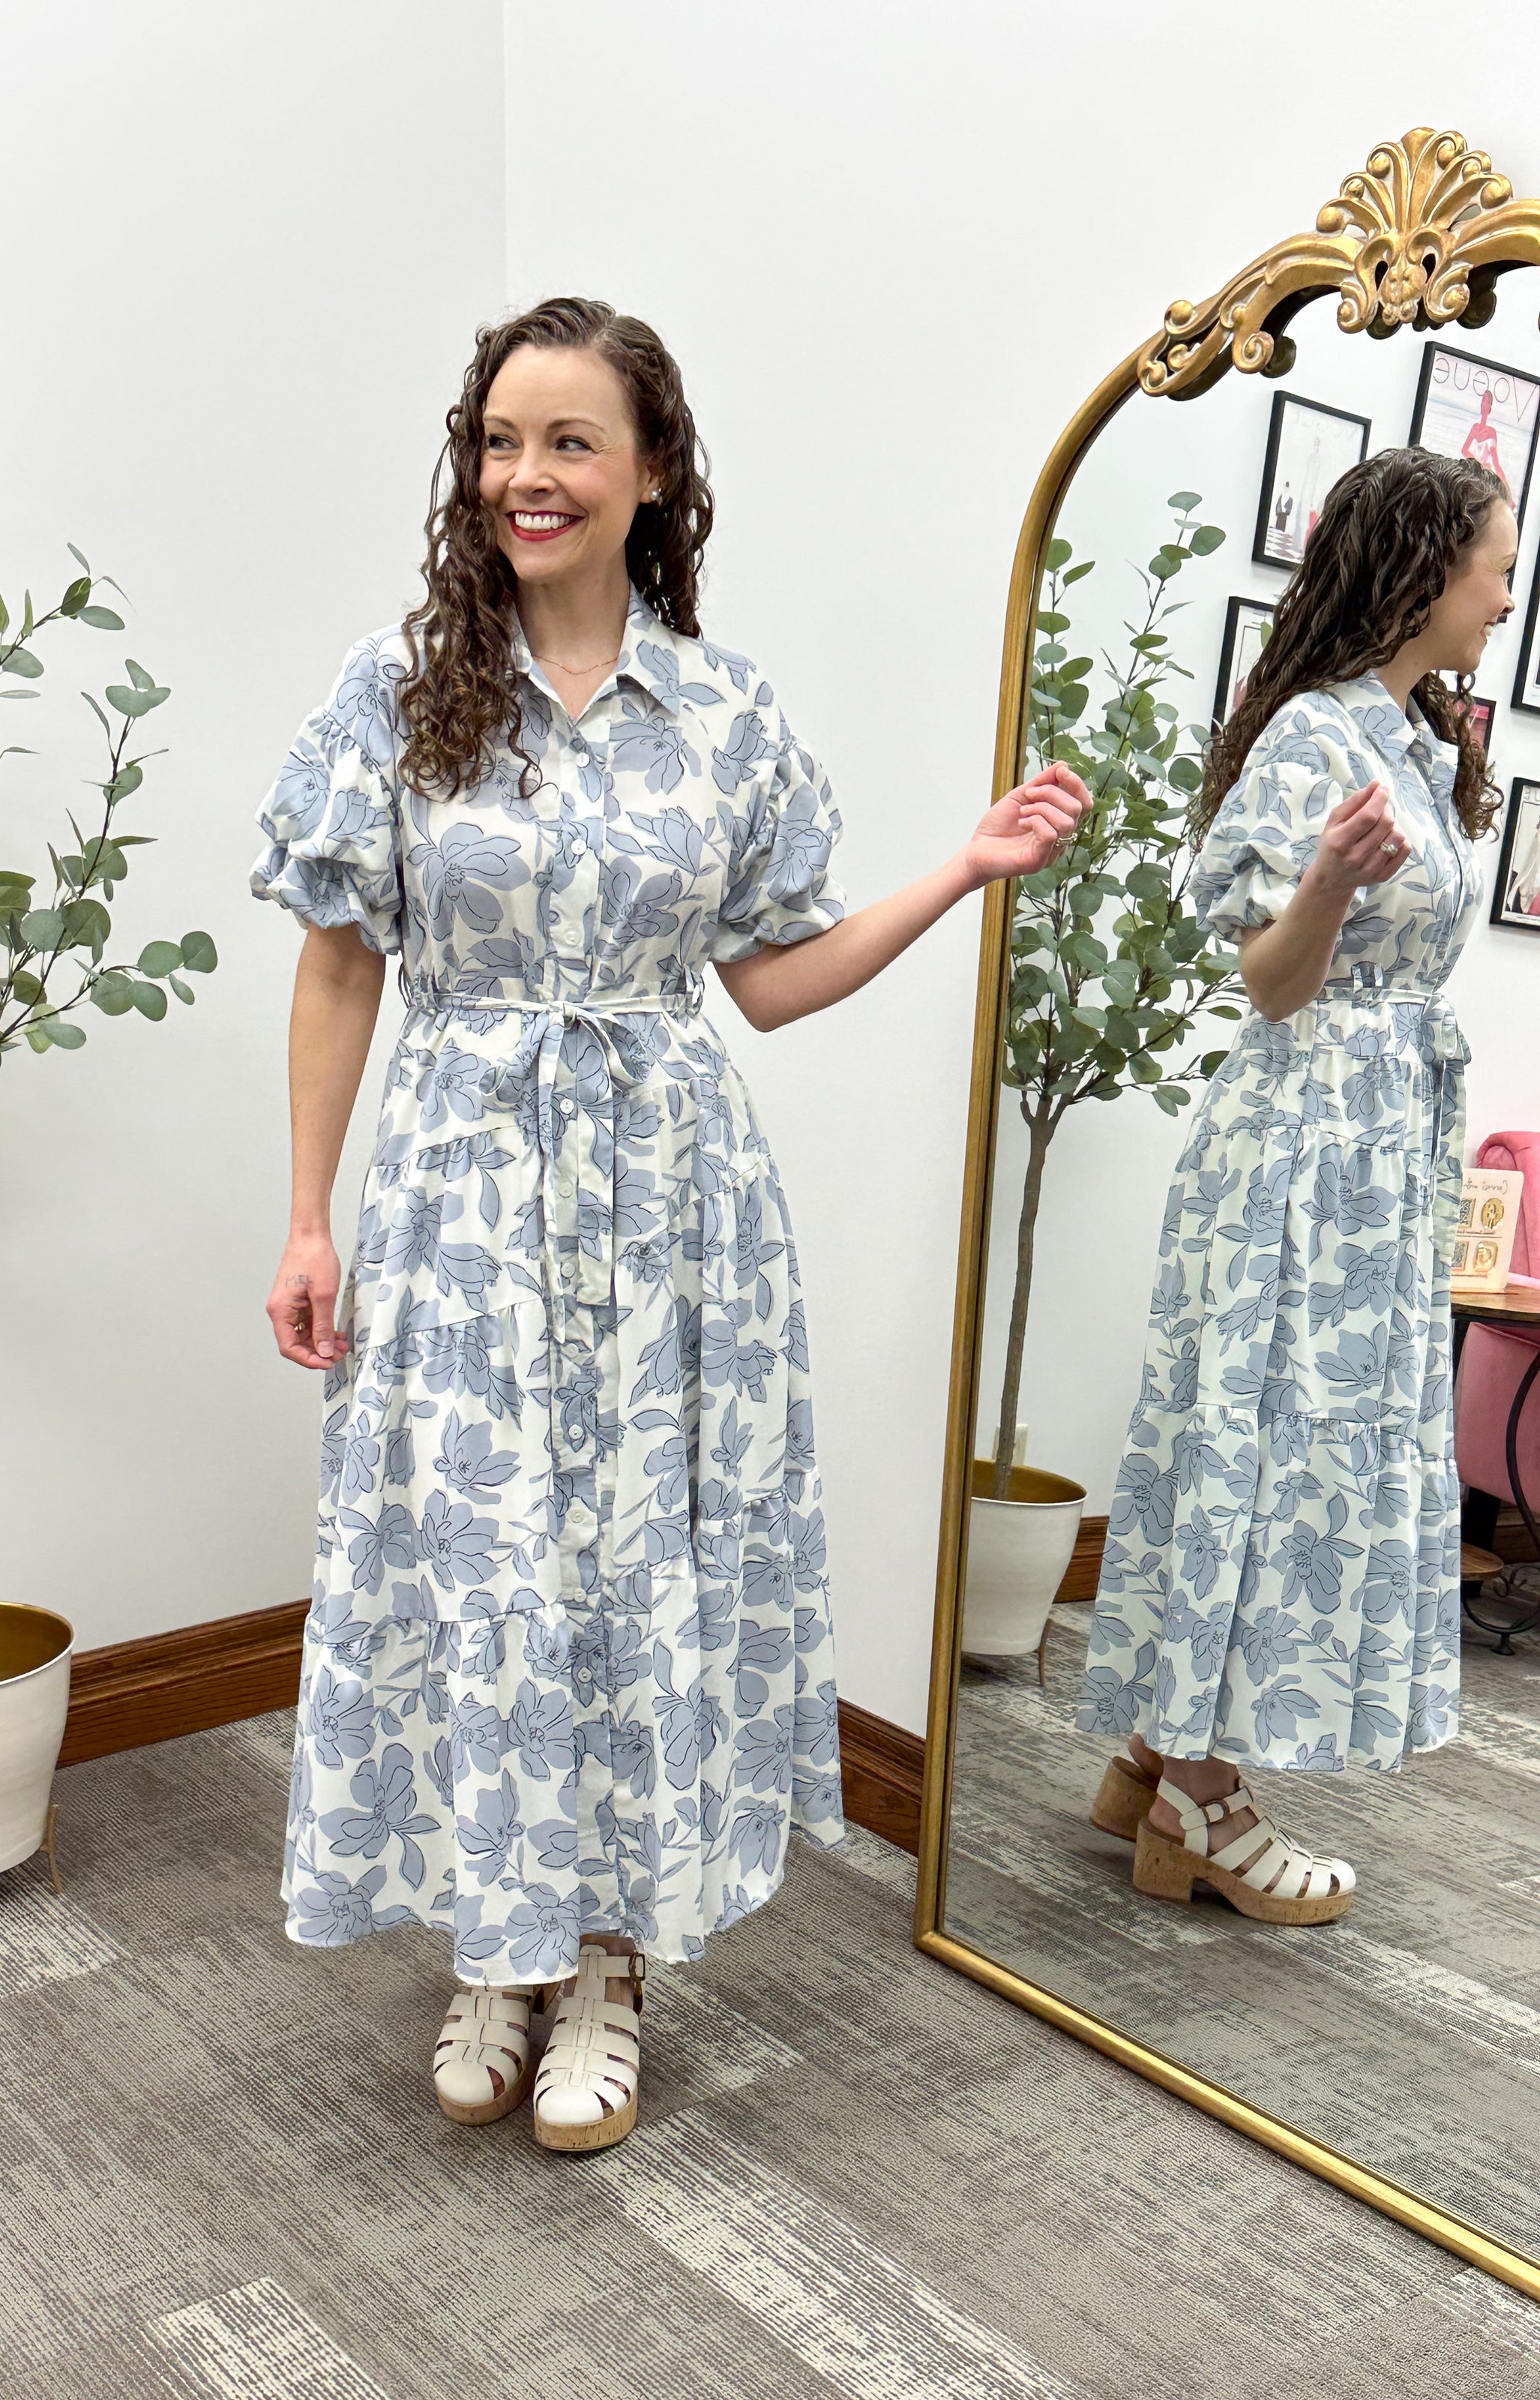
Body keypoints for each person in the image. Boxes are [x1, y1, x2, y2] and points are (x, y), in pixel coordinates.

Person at [251, 296, 1088, 2152]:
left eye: (567, 443)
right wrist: (310, 1220)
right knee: (480, 1569)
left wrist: (963, 865)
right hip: (460, 1188)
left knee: (637, 1570)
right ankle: (500, 1933)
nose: (523, 478)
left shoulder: (724, 712)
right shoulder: (396, 687)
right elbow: (335, 976)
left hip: (669, 1214)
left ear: (649, 473)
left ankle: (611, 1955)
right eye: (496, 442)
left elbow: (772, 988)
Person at [1076, 448, 1512, 1925]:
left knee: (1282, 1439)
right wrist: (1328, 880)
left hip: (1379, 1142)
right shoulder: (1313, 746)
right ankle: (1202, 1797)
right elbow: (1270, 987)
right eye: (1496, 564)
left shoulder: (1411, 730)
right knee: (1263, 1445)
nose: (1509, 590)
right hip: (1306, 1139)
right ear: (1423, 570)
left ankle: (1153, 1752)